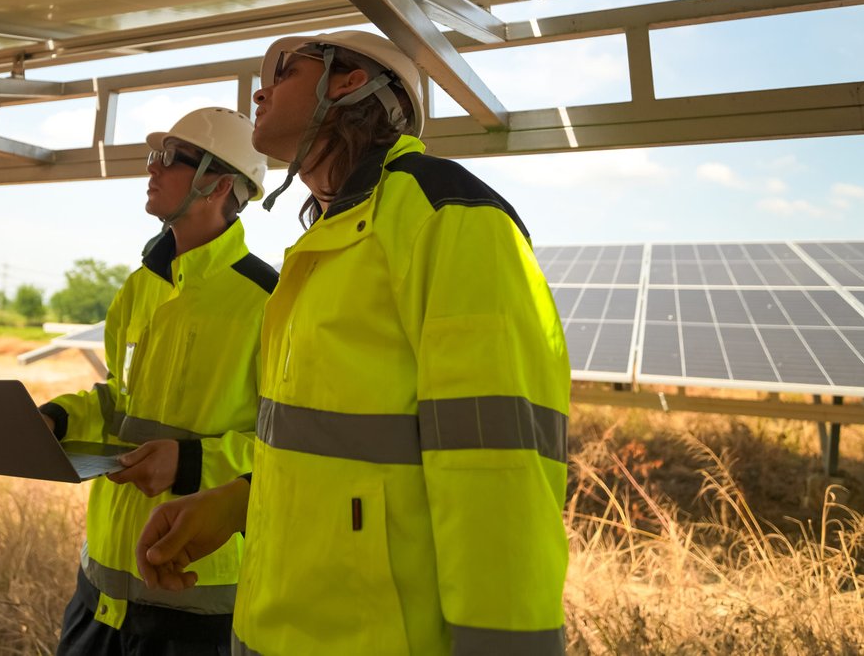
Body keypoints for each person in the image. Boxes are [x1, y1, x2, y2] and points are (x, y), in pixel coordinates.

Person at [135, 32, 571, 655]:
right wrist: (239, 501)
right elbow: (339, 450)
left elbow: (498, 465)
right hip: (275, 630)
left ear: (347, 82)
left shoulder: (446, 216)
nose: (260, 90)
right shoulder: (330, 237)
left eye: (284, 70)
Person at [39, 106, 276, 655]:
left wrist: (191, 464)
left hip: (196, 602)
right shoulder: (138, 288)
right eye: (154, 155)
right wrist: (58, 417)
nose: (151, 168)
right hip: (99, 589)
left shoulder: (269, 302)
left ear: (218, 182)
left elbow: (290, 445)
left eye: (170, 158)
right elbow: (117, 402)